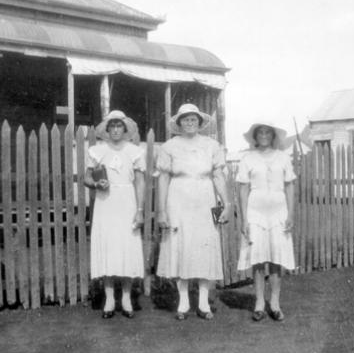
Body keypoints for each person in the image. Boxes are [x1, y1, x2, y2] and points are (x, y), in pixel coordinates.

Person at [156, 103, 232, 320]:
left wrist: (226, 204)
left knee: (204, 248)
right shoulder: (169, 147)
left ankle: (203, 303)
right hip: (178, 200)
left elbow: (218, 176)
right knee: (181, 247)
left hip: (205, 199)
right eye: (185, 119)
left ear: (200, 122)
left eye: (193, 119)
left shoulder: (211, 145)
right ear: (179, 123)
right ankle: (183, 302)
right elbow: (163, 179)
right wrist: (162, 210)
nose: (190, 123)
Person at [84, 110, 146, 319]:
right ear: (107, 130)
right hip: (105, 203)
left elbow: (139, 182)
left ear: (125, 129)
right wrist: (96, 183)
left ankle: (126, 298)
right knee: (109, 247)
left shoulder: (135, 151)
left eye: (120, 126)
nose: (116, 130)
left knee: (126, 248)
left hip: (127, 201)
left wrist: (139, 211)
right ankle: (110, 299)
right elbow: (86, 178)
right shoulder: (97, 150)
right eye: (112, 126)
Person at [236, 121, 296, 322]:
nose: (263, 135)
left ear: (273, 136)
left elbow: (289, 186)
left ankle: (275, 303)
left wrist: (291, 214)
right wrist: (244, 218)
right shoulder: (248, 158)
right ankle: (259, 303)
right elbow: (243, 190)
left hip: (279, 211)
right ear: (255, 136)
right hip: (255, 212)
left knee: (277, 259)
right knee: (259, 259)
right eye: (259, 132)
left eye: (267, 132)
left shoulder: (283, 158)